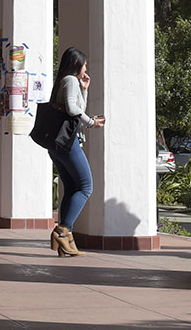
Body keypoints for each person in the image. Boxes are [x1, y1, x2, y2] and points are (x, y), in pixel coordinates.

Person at [47, 47, 105, 257]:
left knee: (71, 187)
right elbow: (73, 109)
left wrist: (85, 90)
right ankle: (62, 231)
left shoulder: (63, 82)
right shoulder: (70, 80)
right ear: (76, 64)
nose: (86, 68)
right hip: (69, 144)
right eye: (85, 64)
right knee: (86, 186)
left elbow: (75, 105)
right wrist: (91, 122)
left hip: (56, 145)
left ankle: (66, 239)